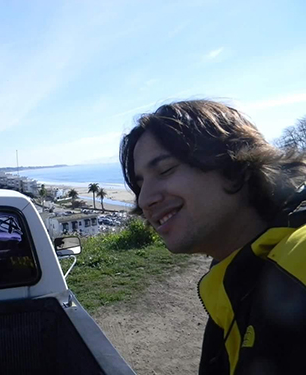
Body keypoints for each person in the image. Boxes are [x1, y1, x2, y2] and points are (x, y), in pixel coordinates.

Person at [119, 100, 306, 375]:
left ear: (233, 160)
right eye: (140, 184)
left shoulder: (296, 259)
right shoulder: (232, 272)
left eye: (166, 170)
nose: (145, 199)